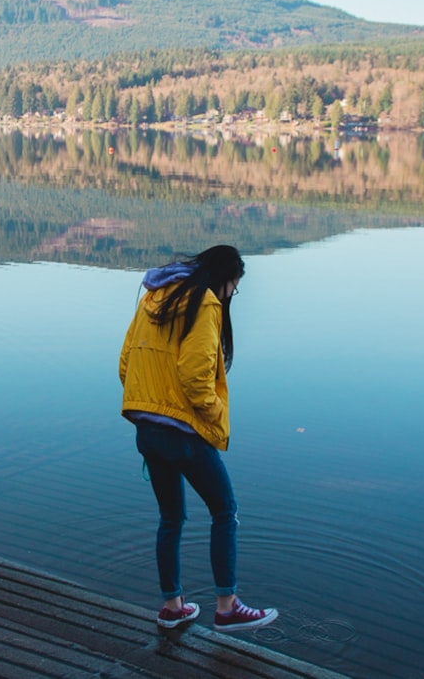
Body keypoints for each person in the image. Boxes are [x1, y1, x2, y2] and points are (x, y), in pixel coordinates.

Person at [119, 244, 278, 632]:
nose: (230, 297)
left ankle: (173, 606)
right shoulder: (205, 304)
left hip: (147, 427)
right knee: (225, 511)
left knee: (170, 518)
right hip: (184, 433)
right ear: (224, 280)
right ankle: (227, 606)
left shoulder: (154, 298)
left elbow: (126, 361)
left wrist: (151, 406)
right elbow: (195, 377)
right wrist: (213, 416)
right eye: (234, 288)